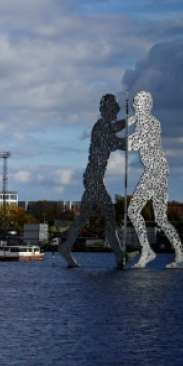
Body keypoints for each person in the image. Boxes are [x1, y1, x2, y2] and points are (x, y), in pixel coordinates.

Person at [59, 94, 127, 268]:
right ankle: (120, 257)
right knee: (110, 215)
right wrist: (138, 138)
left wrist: (134, 120)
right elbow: (118, 142)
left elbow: (117, 128)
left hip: (92, 179)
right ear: (107, 110)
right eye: (114, 110)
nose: (116, 113)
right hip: (94, 180)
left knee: (83, 218)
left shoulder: (103, 126)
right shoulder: (101, 127)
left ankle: (66, 247)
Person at [126, 91, 183, 269]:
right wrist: (130, 121)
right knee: (161, 219)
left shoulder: (151, 123)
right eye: (135, 103)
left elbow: (136, 142)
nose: (136, 106)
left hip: (155, 171)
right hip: (158, 171)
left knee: (133, 211)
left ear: (148, 106)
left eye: (139, 103)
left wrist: (115, 142)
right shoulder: (143, 122)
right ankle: (180, 256)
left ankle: (147, 250)